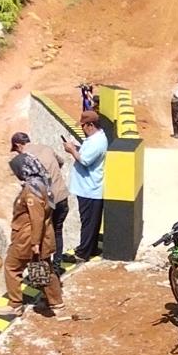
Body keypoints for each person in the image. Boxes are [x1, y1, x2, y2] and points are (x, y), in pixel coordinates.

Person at [0, 153, 64, 318]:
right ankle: (56, 301)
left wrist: (35, 243)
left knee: (12, 267)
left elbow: (37, 217)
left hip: (27, 237)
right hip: (43, 235)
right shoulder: (44, 183)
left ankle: (15, 305)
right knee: (45, 267)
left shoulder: (31, 191)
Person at [10, 132, 69, 273]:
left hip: (46, 200)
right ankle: (56, 267)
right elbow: (61, 162)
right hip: (61, 196)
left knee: (42, 233)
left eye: (16, 149)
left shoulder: (26, 159)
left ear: (18, 145)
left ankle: (43, 272)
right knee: (58, 231)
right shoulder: (46, 147)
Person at [63, 109, 107, 262]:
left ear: (90, 125)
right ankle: (90, 248)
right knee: (91, 221)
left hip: (89, 189)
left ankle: (83, 253)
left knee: (88, 222)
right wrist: (77, 148)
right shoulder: (96, 139)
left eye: (83, 126)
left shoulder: (97, 142)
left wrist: (71, 150)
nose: (82, 129)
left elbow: (85, 161)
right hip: (88, 188)